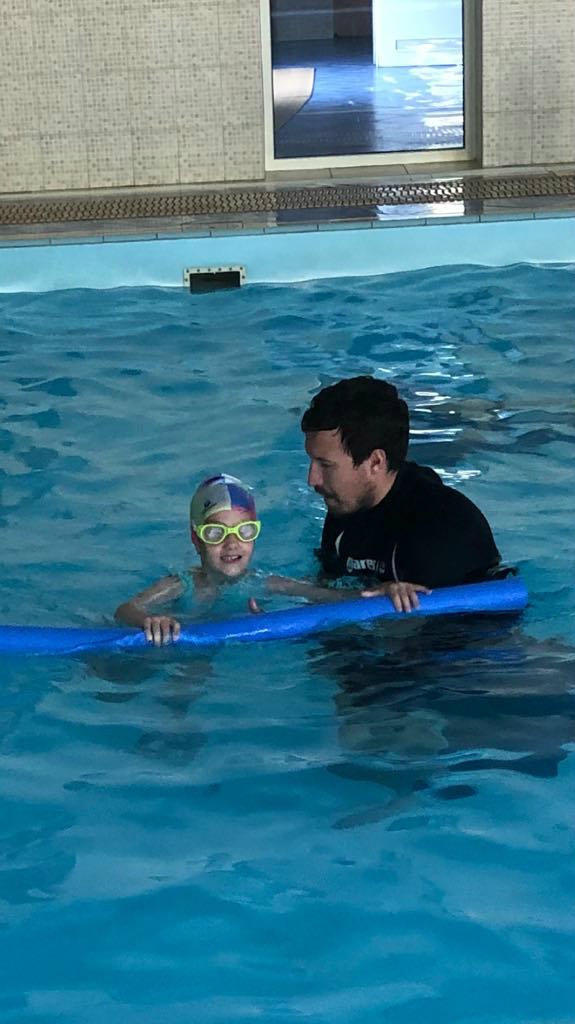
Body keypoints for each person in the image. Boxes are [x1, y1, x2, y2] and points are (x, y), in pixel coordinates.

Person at [271, 375, 503, 613]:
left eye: (325, 465)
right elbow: (327, 587)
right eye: (312, 461)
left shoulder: (441, 529)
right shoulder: (346, 502)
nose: (312, 479)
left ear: (375, 462)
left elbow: (417, 629)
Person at [114, 474, 261, 645]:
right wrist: (150, 621)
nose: (232, 544)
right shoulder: (182, 585)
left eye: (245, 531)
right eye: (215, 533)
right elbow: (125, 610)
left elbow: (293, 590)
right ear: (196, 540)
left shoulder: (260, 581)